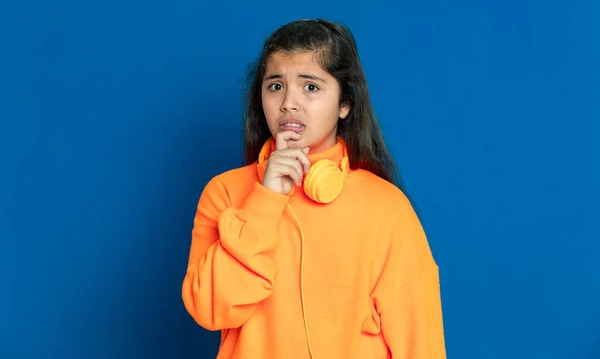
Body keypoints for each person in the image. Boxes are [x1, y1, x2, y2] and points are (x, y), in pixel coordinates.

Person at [181, 19, 446, 358]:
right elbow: (208, 309)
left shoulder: (387, 208)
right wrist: (265, 202)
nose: (289, 103)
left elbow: (420, 345)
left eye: (310, 87)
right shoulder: (226, 193)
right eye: (275, 86)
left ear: (345, 103)